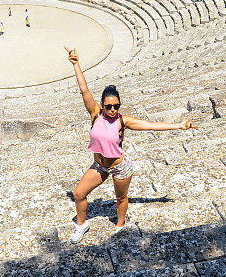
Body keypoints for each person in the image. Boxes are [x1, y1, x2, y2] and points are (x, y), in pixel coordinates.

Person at [64, 46, 197, 242]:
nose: (111, 109)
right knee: (78, 194)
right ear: (102, 105)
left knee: (121, 198)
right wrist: (76, 64)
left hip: (120, 167)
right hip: (100, 165)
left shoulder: (122, 121)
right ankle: (82, 225)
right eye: (108, 106)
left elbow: (151, 125)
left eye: (116, 106)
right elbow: (84, 90)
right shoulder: (95, 113)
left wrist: (179, 126)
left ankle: (120, 226)